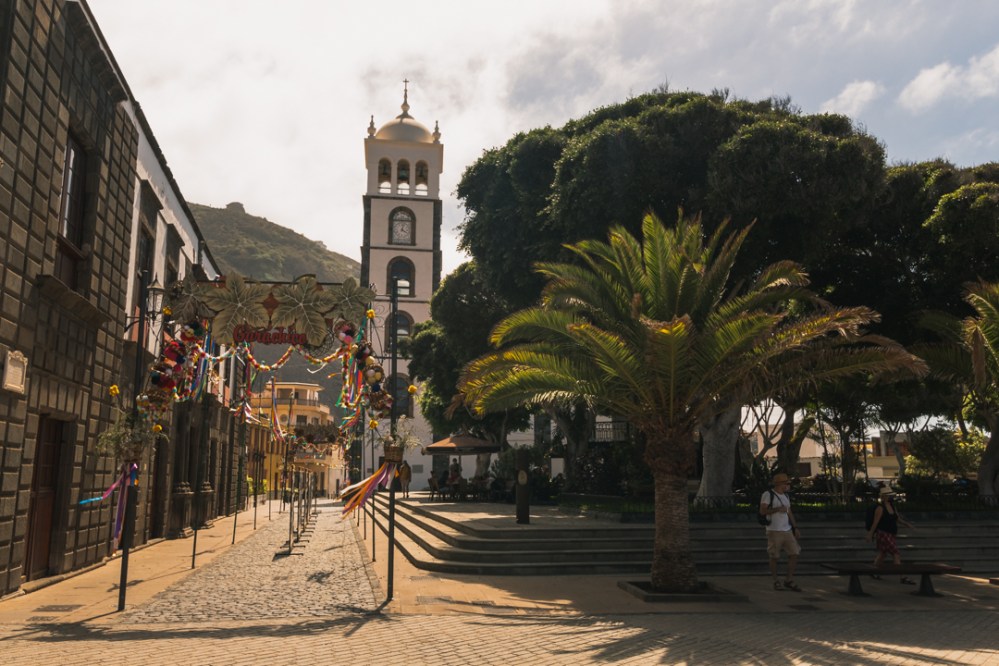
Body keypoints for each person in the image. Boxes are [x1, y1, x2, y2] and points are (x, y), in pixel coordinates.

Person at [759, 472, 802, 591]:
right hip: (774, 530)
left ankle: (789, 579)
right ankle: (775, 580)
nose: (788, 485)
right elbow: (762, 511)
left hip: (787, 530)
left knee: (794, 553)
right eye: (786, 483)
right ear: (780, 484)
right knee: (774, 556)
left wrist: (795, 527)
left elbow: (789, 512)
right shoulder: (768, 495)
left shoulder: (786, 496)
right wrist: (778, 509)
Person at [867, 486, 916, 584]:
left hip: (891, 533)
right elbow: (875, 522)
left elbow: (896, 518)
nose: (889, 497)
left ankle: (873, 570)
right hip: (883, 533)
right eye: (887, 495)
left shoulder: (892, 506)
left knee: (883, 553)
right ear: (883, 496)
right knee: (895, 553)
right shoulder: (880, 507)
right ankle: (902, 576)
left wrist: (906, 524)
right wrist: (870, 534)